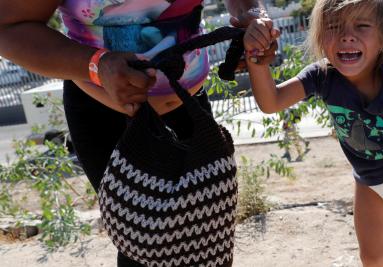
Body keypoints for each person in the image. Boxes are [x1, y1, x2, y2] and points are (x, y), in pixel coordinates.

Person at [0, 1, 275, 266]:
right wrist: (97, 65)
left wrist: (253, 20)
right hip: (107, 118)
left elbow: (244, 3)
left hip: (190, 107)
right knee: (147, 245)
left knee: (207, 238)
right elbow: (9, 28)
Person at [243, 0, 383, 266]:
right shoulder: (323, 75)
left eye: (362, 26)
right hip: (367, 179)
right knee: (372, 258)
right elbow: (272, 102)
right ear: (319, 36)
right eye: (334, 26)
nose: (347, 35)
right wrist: (258, 64)